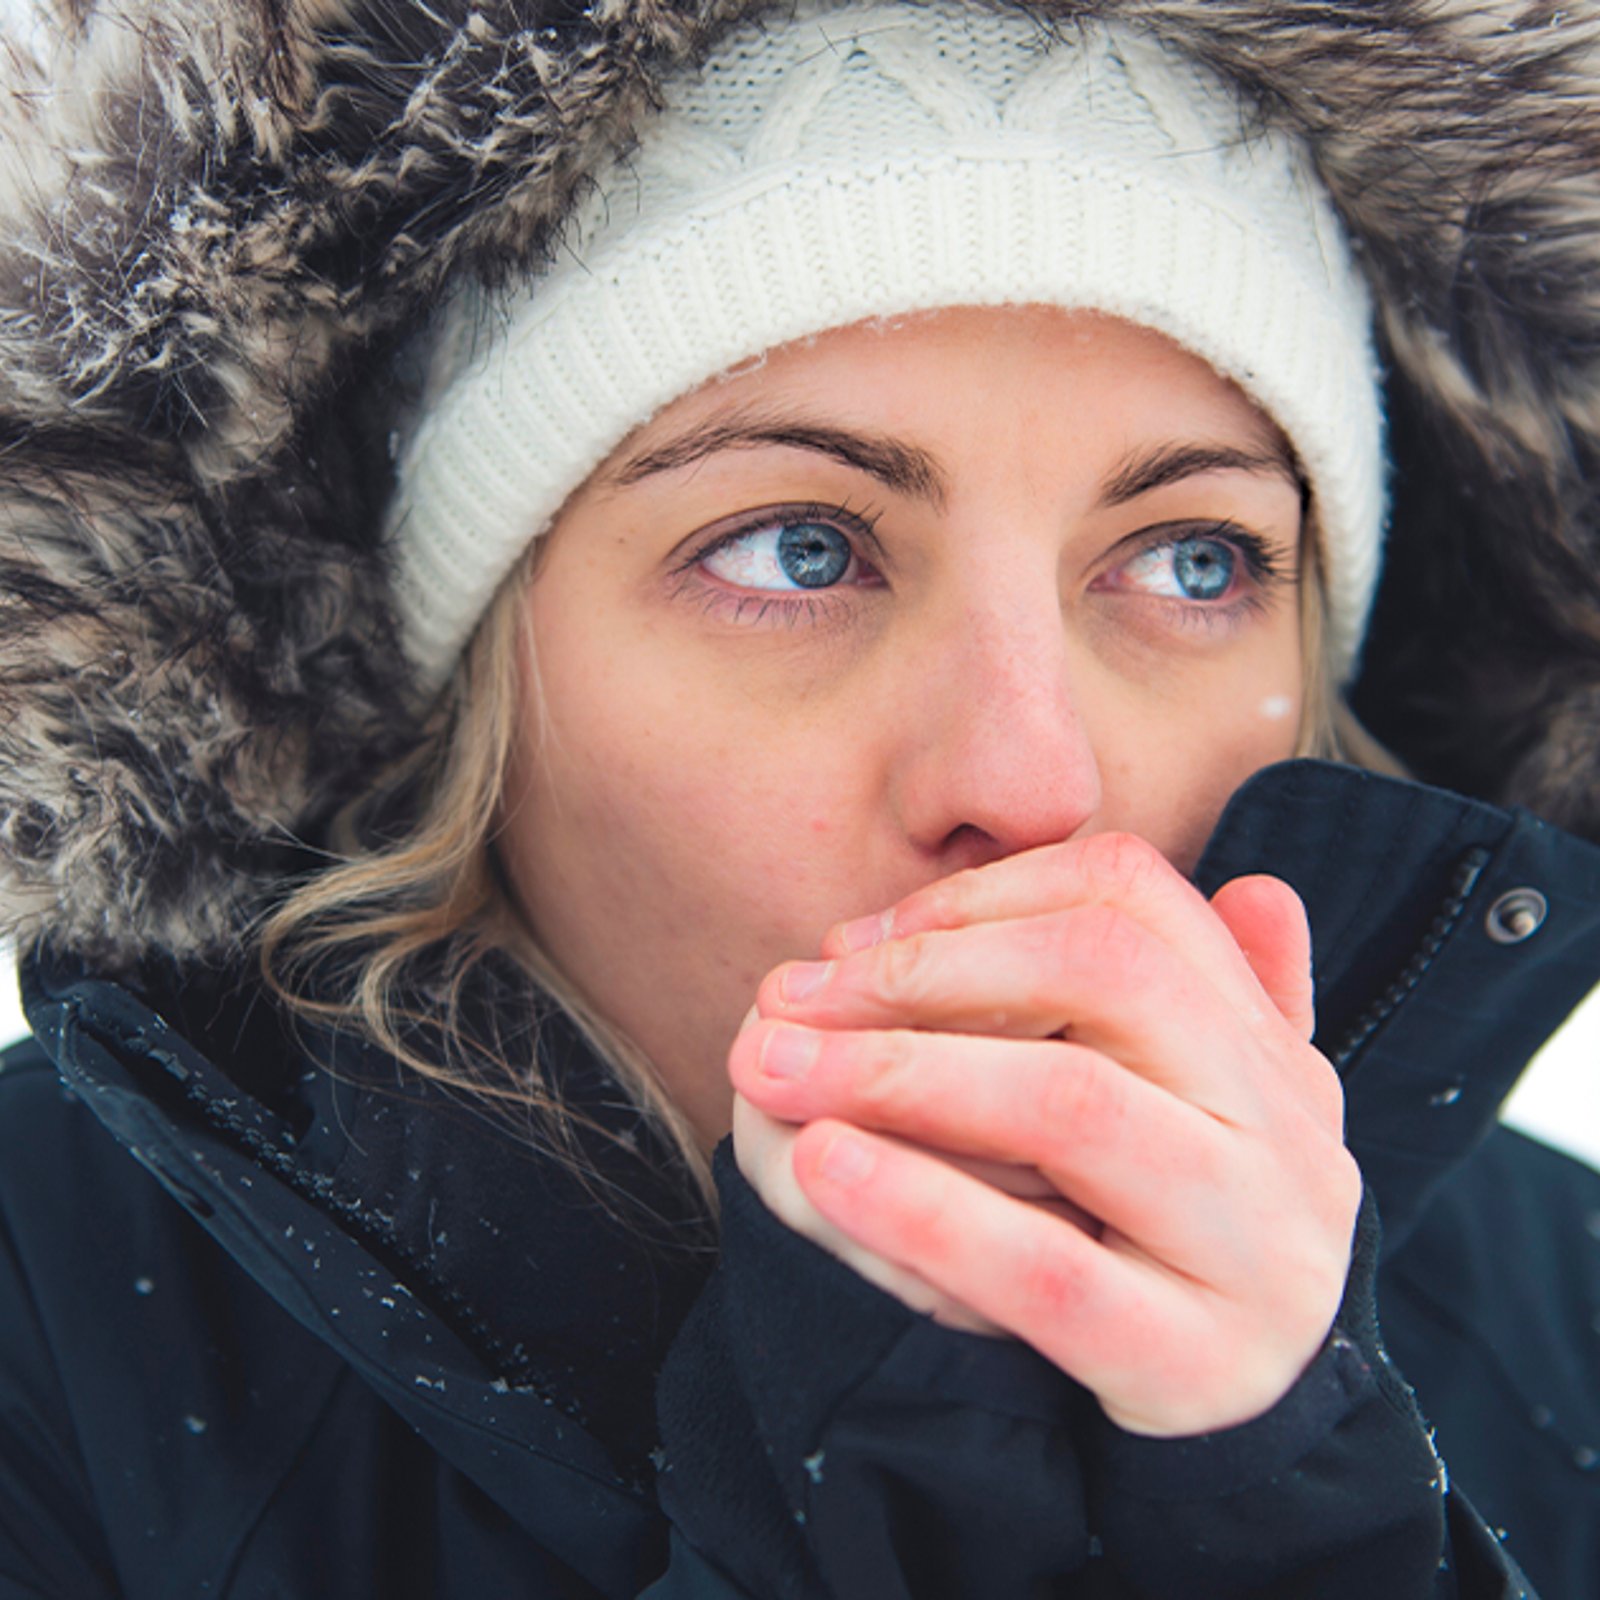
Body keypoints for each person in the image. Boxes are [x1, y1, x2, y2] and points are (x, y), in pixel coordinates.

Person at [2, 0, 1600, 1595]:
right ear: (484, 678)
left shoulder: (1564, 1315)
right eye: (799, 551)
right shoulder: (48, 1311)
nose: (1032, 785)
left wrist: (1289, 1504)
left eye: (1193, 562)